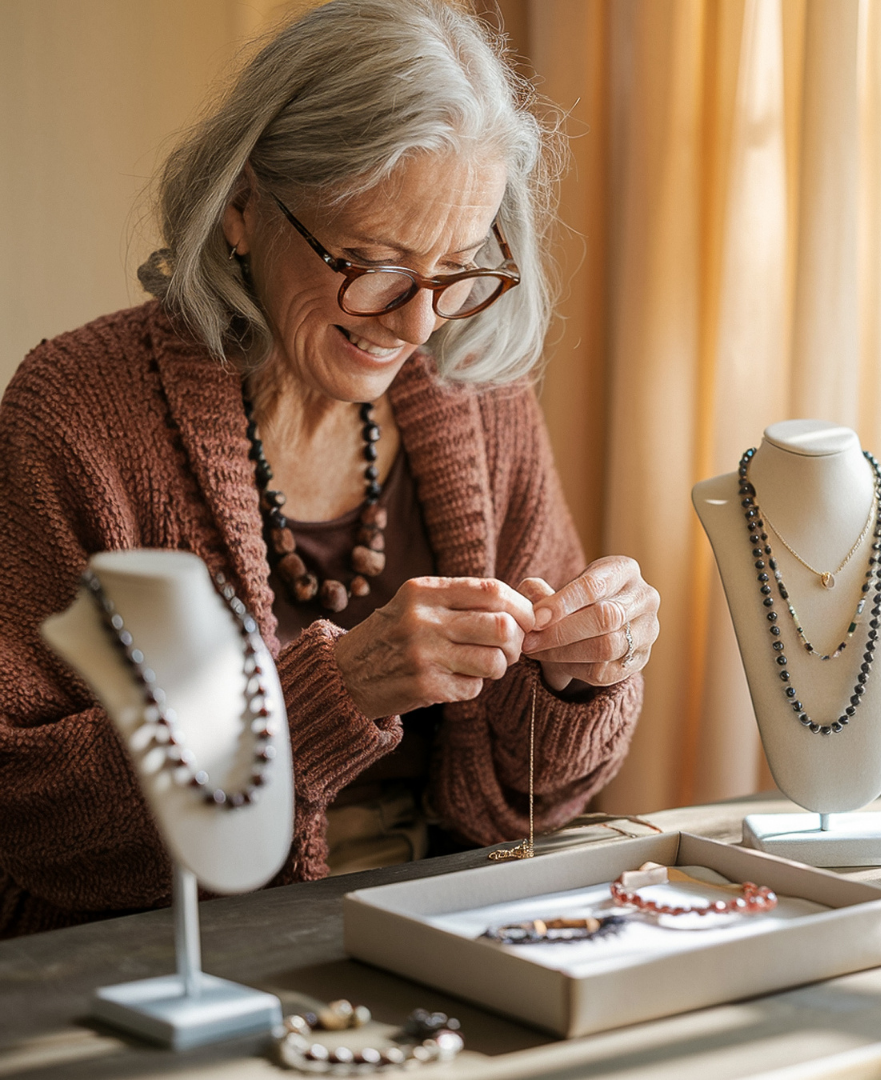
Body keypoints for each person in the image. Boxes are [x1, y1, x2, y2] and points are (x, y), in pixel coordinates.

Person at [0, 0, 659, 939]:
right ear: (242, 207)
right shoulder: (75, 415)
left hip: (453, 927)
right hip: (169, 958)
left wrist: (581, 679)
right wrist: (328, 696)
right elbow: (26, 811)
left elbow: (533, 804)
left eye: (457, 269)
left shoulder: (480, 399)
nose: (419, 325)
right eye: (374, 263)